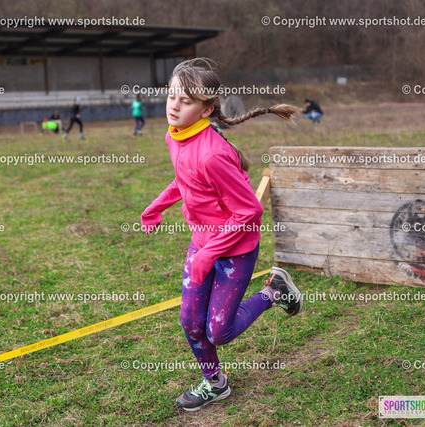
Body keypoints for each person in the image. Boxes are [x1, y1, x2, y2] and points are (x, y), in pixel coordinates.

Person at [141, 58, 303, 412]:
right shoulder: (174, 136)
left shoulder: (213, 155)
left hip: (235, 250)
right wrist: (157, 206)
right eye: (172, 96)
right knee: (189, 322)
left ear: (206, 110)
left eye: (186, 101)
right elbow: (185, 179)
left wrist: (209, 254)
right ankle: (215, 383)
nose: (174, 105)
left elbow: (250, 211)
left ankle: (274, 292)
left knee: (219, 331)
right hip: (203, 244)